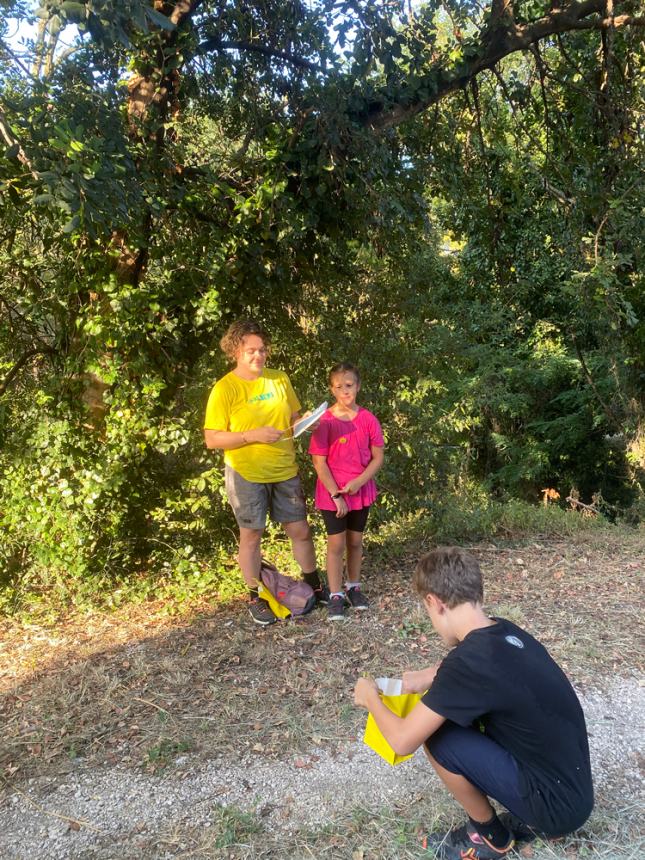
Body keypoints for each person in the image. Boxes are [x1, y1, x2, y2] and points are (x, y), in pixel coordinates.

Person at [354, 547, 593, 860]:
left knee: (437, 736)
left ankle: (489, 837)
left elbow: (401, 741)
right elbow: (478, 671)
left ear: (434, 603)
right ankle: (528, 816)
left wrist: (370, 698)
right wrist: (426, 676)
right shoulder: (503, 631)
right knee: (458, 717)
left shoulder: (468, 664)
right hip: (573, 796)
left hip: (555, 808)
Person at [203, 319, 327, 626]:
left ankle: (314, 584)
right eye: (250, 351)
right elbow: (212, 438)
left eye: (262, 350)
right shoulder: (225, 388)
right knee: (251, 535)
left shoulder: (279, 380)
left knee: (300, 530)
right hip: (246, 473)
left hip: (284, 470)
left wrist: (311, 422)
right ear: (236, 352)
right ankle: (254, 595)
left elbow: (294, 422)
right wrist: (252, 435)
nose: (258, 356)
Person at [308, 362, 384, 622]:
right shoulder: (325, 422)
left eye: (349, 385)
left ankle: (354, 587)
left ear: (358, 386)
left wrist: (360, 482)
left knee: (355, 542)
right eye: (339, 387)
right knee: (336, 544)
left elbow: (377, 457)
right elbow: (319, 461)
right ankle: (336, 595)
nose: (345, 391)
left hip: (360, 492)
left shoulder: (368, 419)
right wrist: (336, 494)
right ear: (332, 389)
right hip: (333, 495)